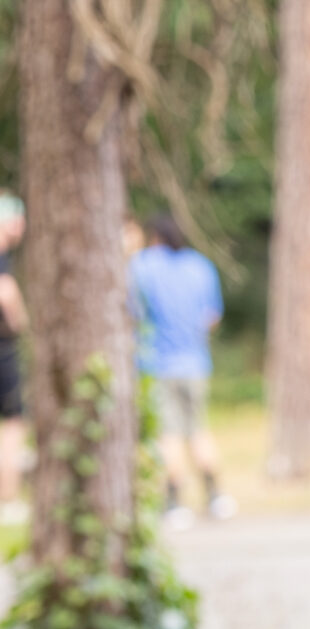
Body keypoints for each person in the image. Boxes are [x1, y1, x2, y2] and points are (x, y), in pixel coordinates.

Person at [129, 214, 235, 524]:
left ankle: (174, 501)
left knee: (169, 435)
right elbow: (211, 317)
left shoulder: (142, 266)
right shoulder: (200, 266)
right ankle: (216, 495)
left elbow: (131, 313)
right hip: (196, 362)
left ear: (154, 237)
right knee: (198, 429)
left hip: (157, 364)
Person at [0, 192, 27, 524]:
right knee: (14, 422)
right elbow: (5, 292)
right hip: (3, 348)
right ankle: (9, 496)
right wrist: (24, 324)